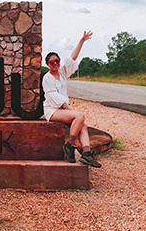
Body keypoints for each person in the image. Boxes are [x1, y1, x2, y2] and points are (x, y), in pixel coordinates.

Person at [42, 31, 101, 167]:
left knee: (83, 125)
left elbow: (72, 58)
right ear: (48, 64)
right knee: (80, 116)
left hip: (63, 109)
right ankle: (69, 145)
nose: (56, 64)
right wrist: (64, 105)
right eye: (52, 62)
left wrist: (82, 40)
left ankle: (86, 154)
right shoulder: (47, 78)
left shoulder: (62, 73)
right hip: (52, 110)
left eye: (57, 61)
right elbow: (51, 95)